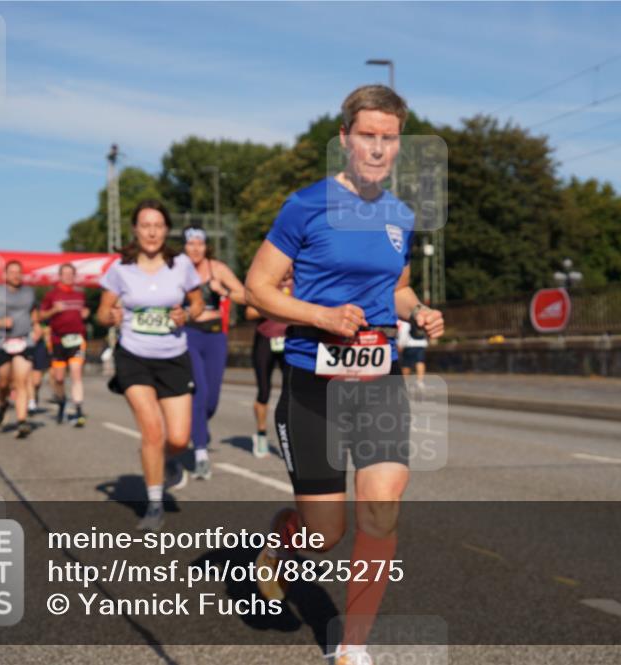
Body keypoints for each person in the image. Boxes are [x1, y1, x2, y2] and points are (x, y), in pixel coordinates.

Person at [245, 85, 444, 665]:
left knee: (381, 504)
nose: (378, 149)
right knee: (323, 534)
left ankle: (352, 647)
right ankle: (280, 545)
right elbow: (259, 288)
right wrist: (320, 315)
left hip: (379, 377)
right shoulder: (305, 206)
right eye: (367, 136)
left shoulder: (399, 215)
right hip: (314, 382)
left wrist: (418, 309)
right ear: (344, 139)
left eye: (389, 138)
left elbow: (398, 288)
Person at [97, 200, 204, 531]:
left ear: (166, 230)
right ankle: (154, 503)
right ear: (135, 230)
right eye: (145, 225)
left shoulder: (182, 265)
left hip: (173, 357)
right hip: (134, 356)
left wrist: (187, 314)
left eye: (158, 225)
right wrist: (110, 316)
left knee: (179, 439)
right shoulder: (120, 270)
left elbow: (198, 303)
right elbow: (101, 313)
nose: (152, 231)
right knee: (152, 432)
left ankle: (167, 463)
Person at [182, 227, 247, 480]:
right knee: (199, 391)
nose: (195, 248)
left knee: (212, 399)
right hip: (189, 335)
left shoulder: (216, 268)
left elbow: (244, 295)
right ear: (185, 247)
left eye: (200, 244)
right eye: (191, 244)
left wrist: (225, 291)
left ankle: (198, 425)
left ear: (206, 246)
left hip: (215, 335)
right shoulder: (177, 269)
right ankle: (200, 454)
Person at [0, 260, 39, 439]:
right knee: (4, 382)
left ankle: (22, 421)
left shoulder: (29, 292)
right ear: (5, 275)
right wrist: (0, 323)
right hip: (2, 342)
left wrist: (37, 326)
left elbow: (34, 312)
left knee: (21, 382)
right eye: (12, 272)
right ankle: (2, 404)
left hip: (24, 341)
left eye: (18, 272)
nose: (16, 275)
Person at [246, 271, 292, 458]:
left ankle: (289, 438)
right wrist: (274, 304)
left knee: (292, 392)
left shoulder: (302, 280)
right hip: (265, 339)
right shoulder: (266, 281)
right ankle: (262, 434)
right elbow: (249, 312)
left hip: (289, 340)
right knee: (264, 391)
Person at [40, 263, 91, 426]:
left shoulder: (80, 295)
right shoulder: (52, 295)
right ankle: (61, 400)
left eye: (71, 274)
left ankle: (78, 410)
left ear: (74, 276)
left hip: (77, 339)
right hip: (58, 341)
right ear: (60, 276)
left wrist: (86, 313)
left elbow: (86, 310)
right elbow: (41, 315)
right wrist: (53, 311)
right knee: (59, 378)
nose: (68, 276)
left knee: (76, 374)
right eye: (65, 274)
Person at [396, 318, 428, 390]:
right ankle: (420, 381)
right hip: (421, 344)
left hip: (409, 344)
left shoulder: (406, 319)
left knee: (406, 364)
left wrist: (400, 345)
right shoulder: (420, 319)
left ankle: (405, 382)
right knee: (420, 362)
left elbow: (404, 332)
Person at [27, 322, 51, 413]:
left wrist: (43, 331)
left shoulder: (40, 313)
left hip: (38, 348)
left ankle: (34, 395)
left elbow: (48, 329)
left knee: (36, 382)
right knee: (27, 376)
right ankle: (30, 401)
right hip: (24, 346)